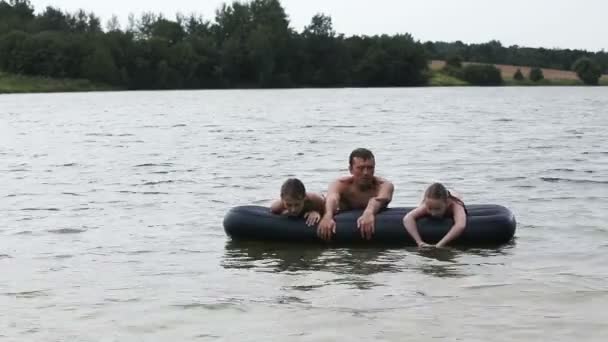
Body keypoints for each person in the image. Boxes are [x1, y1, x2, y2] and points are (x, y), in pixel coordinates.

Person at [317, 148, 395, 241]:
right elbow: (332, 198)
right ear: (350, 169)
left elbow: (379, 199)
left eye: (370, 168)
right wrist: (328, 216)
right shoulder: (341, 184)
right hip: (345, 233)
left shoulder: (384, 185)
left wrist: (369, 212)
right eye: (360, 168)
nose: (366, 173)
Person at [402, 182, 467, 248]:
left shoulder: (455, 205)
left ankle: (452, 192)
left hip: (452, 197)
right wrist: (419, 242)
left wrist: (440, 244)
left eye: (437, 209)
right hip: (430, 200)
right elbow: (407, 218)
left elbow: (460, 226)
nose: (433, 213)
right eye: (430, 208)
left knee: (456, 194)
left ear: (447, 203)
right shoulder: (428, 205)